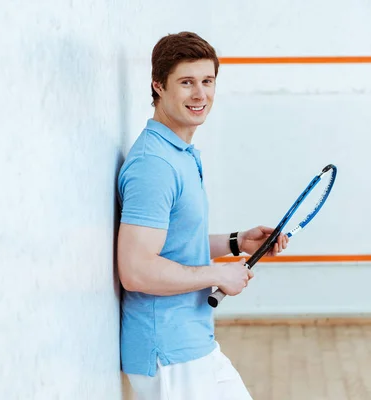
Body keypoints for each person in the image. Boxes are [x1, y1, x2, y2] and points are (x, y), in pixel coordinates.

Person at [116, 31, 289, 399]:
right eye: (186, 82)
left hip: (194, 343)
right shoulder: (155, 165)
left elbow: (174, 243)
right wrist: (218, 273)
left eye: (207, 81)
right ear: (158, 86)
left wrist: (236, 242)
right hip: (168, 351)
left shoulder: (179, 153)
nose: (200, 94)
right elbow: (135, 270)